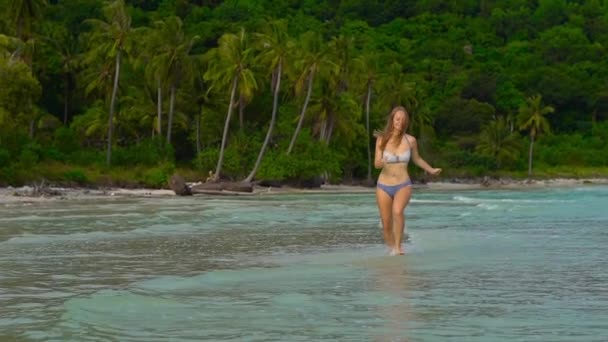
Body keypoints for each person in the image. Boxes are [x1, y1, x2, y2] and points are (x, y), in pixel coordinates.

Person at [374, 106, 442, 255]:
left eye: (403, 120)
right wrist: (382, 161)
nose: (400, 122)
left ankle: (398, 247)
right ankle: (393, 250)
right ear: (392, 119)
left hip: (403, 184)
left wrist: (431, 170)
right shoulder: (382, 139)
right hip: (383, 185)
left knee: (397, 212)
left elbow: (417, 159)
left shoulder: (410, 140)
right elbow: (376, 164)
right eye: (397, 119)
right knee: (386, 225)